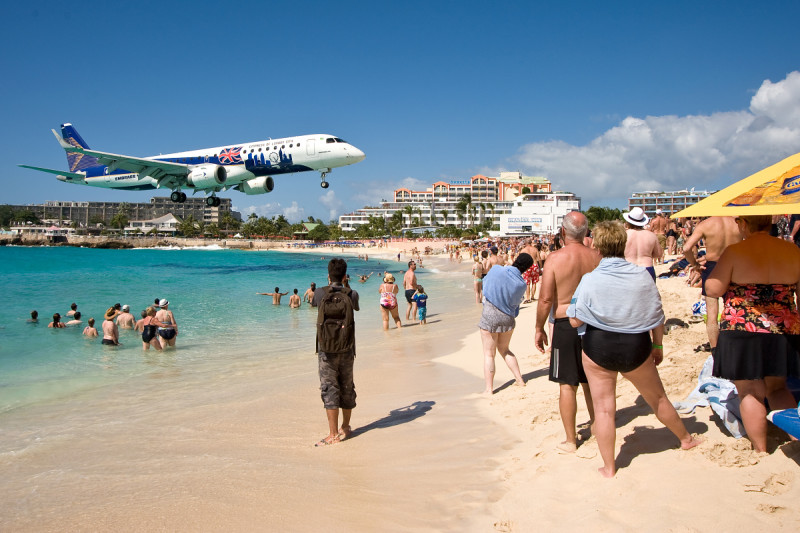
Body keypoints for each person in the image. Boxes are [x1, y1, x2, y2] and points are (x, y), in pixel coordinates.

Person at [567, 221, 701, 477]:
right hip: (635, 345)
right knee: (658, 399)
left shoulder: (590, 279)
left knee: (604, 409)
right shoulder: (641, 275)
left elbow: (575, 320)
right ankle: (685, 439)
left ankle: (609, 467)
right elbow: (657, 316)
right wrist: (658, 345)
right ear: (623, 244)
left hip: (599, 347)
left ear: (596, 246)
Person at [705, 215, 800, 453]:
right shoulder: (792, 250)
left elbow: (714, 288)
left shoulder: (735, 251)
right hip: (783, 329)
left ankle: (760, 449)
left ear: (744, 223)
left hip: (742, 329)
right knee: (778, 388)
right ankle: (795, 442)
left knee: (749, 391)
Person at [535, 211, 600, 453]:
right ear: (585, 233)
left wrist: (539, 327)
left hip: (565, 324)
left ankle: (571, 440)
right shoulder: (597, 257)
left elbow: (545, 299)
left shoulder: (555, 258)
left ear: (563, 232)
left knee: (567, 384)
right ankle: (597, 427)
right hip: (594, 323)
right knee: (593, 381)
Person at [312, 258, 360, 446]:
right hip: (347, 348)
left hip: (326, 350)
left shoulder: (319, 293)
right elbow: (355, 306)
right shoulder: (352, 293)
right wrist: (346, 285)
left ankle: (333, 434)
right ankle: (345, 427)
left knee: (329, 387)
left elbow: (315, 305)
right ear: (345, 275)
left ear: (328, 274)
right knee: (346, 386)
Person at [682, 216, 742, 350]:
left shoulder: (706, 224)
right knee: (736, 308)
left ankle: (715, 350)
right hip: (735, 266)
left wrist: (694, 264)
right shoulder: (739, 223)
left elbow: (686, 248)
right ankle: (736, 344)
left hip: (713, 267)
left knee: (712, 314)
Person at [478, 253, 532, 394]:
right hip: (507, 317)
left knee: (489, 354)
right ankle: (519, 379)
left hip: (490, 315)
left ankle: (489, 389)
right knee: (505, 350)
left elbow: (485, 285)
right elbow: (515, 305)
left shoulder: (496, 270)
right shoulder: (521, 284)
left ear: (515, 260)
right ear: (526, 268)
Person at [622, 207, 663, 280]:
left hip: (628, 267)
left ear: (628, 221)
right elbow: (659, 254)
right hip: (647, 268)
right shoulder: (651, 235)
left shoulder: (623, 235)